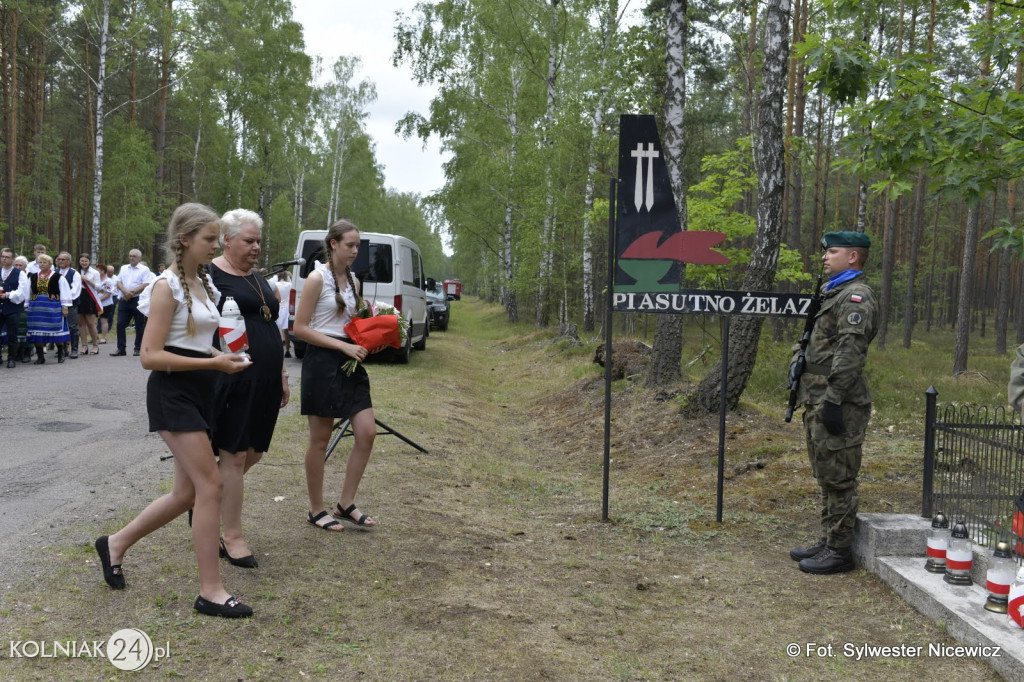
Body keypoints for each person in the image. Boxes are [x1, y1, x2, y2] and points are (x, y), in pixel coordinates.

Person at [94, 202, 254, 618]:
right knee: (211, 485)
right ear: (184, 240)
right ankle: (211, 591)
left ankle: (115, 544)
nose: (215, 245)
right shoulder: (164, 287)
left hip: (202, 390)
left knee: (186, 493)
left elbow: (198, 341)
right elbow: (149, 355)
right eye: (208, 239)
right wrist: (214, 363)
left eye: (218, 238)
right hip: (173, 393)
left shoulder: (203, 283)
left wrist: (224, 357)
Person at [789, 231, 878, 575]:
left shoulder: (856, 298)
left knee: (840, 475)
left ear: (853, 257)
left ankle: (840, 550)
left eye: (834, 252)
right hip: (817, 396)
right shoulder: (834, 292)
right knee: (826, 472)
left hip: (839, 400)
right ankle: (830, 538)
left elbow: (850, 353)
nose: (825, 257)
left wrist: (834, 400)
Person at [207, 208, 288, 567]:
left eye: (259, 241)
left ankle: (209, 499)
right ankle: (231, 536)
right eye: (249, 241)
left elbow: (273, 328)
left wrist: (283, 373)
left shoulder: (258, 278)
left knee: (254, 452)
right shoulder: (211, 276)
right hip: (232, 378)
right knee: (235, 455)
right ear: (226, 240)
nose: (257, 247)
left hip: (267, 377)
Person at [294, 219, 379, 532]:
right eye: (350, 245)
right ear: (333, 244)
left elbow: (350, 324)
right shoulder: (317, 278)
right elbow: (300, 328)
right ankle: (316, 509)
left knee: (367, 432)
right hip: (322, 362)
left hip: (350, 361)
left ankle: (346, 503)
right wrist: (341, 348)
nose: (355, 251)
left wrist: (372, 336)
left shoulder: (355, 281)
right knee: (320, 440)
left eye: (358, 246)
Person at [26, 253, 72, 363]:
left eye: (44, 262)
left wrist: (65, 306)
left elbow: (65, 291)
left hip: (53, 307)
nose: (42, 264)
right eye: (40, 262)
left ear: (50, 264)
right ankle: (40, 356)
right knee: (37, 332)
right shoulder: (33, 277)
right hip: (36, 308)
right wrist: (26, 306)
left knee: (55, 330)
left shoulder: (58, 277)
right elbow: (28, 292)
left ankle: (61, 352)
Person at [112, 249, 155, 357]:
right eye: (130, 256)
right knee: (120, 324)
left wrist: (132, 292)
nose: (131, 258)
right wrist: (125, 292)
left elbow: (146, 283)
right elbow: (118, 281)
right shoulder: (124, 268)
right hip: (124, 299)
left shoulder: (145, 269)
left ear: (139, 258)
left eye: (134, 256)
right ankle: (121, 348)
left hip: (137, 299)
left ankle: (138, 348)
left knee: (139, 325)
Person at [0, 247, 31, 368]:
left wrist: (8, 295)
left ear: (13, 259)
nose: (4, 259)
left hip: (13, 308)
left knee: (12, 334)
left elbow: (23, 291)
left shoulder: (20, 274)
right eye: (2, 256)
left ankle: (11, 359)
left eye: (7, 257)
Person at [55, 252, 82, 359]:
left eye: (63, 259)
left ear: (69, 262)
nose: (60, 261)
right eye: (59, 259)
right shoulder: (54, 272)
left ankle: (74, 349)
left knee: (72, 326)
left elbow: (75, 291)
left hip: (71, 304)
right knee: (59, 326)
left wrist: (65, 300)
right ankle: (63, 349)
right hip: (56, 304)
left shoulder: (75, 274)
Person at [77, 253, 102, 355]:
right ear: (79, 261)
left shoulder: (94, 273)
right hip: (78, 296)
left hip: (90, 297)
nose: (84, 263)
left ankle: (95, 345)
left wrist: (88, 280)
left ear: (89, 262)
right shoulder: (76, 272)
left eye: (86, 261)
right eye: (82, 261)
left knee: (91, 323)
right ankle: (84, 346)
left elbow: (98, 287)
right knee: (81, 324)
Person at [274, 269, 292, 357]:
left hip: (279, 307)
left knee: (277, 330)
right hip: (287, 308)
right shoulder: (290, 284)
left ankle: (277, 349)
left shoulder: (275, 285)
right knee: (286, 331)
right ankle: (287, 350)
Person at [96, 262, 116, 344]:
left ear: (103, 271)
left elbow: (108, 293)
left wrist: (99, 300)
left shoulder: (108, 281)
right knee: (93, 320)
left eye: (98, 271)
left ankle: (103, 337)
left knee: (103, 320)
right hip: (96, 303)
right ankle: (94, 336)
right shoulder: (96, 280)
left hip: (106, 304)